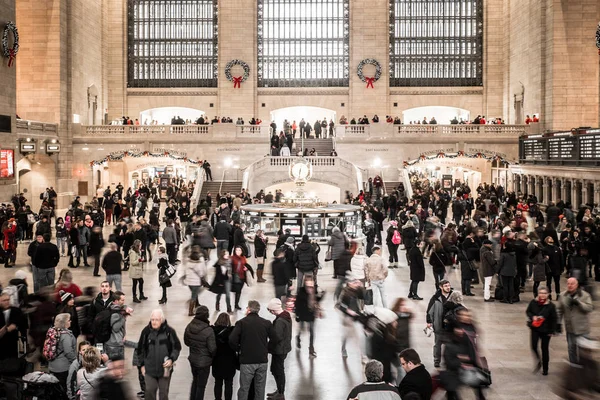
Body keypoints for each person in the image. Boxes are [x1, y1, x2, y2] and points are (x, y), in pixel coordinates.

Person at [229, 300, 273, 400]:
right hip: (262, 360)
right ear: (258, 310)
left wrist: (239, 349)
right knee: (260, 388)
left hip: (247, 361)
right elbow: (276, 338)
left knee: (244, 388)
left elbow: (232, 339)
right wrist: (266, 348)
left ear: (249, 309)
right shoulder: (266, 323)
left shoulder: (241, 323)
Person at [138, 309, 182, 400]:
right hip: (149, 370)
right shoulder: (146, 332)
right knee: (149, 392)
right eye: (152, 319)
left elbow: (176, 347)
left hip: (165, 370)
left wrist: (171, 359)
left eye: (156, 319)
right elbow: (140, 350)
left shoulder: (169, 332)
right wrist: (142, 365)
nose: (154, 322)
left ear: (161, 320)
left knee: (164, 394)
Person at [556, 277, 593, 363]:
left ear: (577, 285)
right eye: (568, 283)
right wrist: (558, 323)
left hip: (582, 328)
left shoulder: (585, 295)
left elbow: (589, 308)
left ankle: (585, 368)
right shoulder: (562, 295)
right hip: (570, 328)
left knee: (583, 350)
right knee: (571, 349)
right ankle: (573, 366)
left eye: (572, 283)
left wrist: (579, 303)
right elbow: (559, 310)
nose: (570, 285)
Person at [184, 305, 216, 400]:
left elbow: (186, 342)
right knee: (201, 386)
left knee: (195, 381)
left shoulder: (189, 326)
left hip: (193, 359)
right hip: (204, 362)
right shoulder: (208, 330)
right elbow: (212, 348)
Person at [526, 286, 557, 376]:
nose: (542, 295)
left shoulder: (551, 306)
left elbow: (554, 319)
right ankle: (538, 360)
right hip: (535, 328)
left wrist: (552, 330)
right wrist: (533, 317)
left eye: (544, 293)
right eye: (540, 293)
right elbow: (528, 311)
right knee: (533, 346)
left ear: (547, 294)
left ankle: (545, 368)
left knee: (544, 348)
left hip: (546, 329)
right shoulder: (533, 302)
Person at [266, 298, 292, 400]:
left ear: (274, 309)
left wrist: (267, 347)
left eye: (270, 310)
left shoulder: (280, 321)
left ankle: (281, 393)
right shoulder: (286, 316)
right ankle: (279, 390)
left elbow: (276, 337)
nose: (271, 312)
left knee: (278, 371)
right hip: (283, 348)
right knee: (275, 370)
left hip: (279, 350)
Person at [294, 275, 323, 358]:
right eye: (308, 283)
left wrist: (321, 296)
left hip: (311, 314)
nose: (310, 285)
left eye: (311, 283)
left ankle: (311, 349)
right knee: (301, 329)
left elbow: (317, 300)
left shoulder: (315, 290)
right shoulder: (301, 291)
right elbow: (297, 304)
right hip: (303, 314)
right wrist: (297, 315)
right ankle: (298, 338)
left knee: (312, 331)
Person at [426, 279, 452, 368]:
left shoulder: (453, 296)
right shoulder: (435, 298)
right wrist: (429, 321)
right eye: (446, 286)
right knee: (438, 344)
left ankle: (449, 361)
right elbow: (430, 311)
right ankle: (437, 360)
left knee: (450, 345)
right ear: (441, 287)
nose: (448, 287)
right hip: (439, 325)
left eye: (448, 285)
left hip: (450, 326)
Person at [49, 313, 78, 391]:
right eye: (69, 320)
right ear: (64, 323)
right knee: (64, 389)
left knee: (56, 389)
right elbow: (68, 352)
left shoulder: (53, 332)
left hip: (52, 366)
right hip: (63, 368)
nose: (70, 321)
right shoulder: (66, 336)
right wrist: (76, 361)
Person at [0, 292, 28, 360]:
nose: (7, 302)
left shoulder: (16, 310)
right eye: (4, 300)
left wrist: (25, 341)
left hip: (12, 341)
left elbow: (23, 324)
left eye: (8, 300)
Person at [105, 291, 131, 360]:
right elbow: (116, 328)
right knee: (118, 367)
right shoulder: (115, 313)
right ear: (116, 301)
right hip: (115, 344)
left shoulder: (111, 308)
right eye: (122, 300)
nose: (123, 302)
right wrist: (124, 317)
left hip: (111, 343)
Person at [183, 247, 207, 316]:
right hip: (196, 282)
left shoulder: (188, 262)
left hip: (189, 282)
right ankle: (190, 311)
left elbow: (185, 272)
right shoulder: (198, 264)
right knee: (193, 296)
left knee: (194, 293)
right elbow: (201, 273)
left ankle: (197, 304)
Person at [231, 246, 253, 310]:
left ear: (242, 251)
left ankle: (236, 304)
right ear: (234, 251)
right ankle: (236, 304)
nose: (238, 252)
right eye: (236, 250)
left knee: (239, 291)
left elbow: (246, 265)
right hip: (235, 277)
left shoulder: (243, 258)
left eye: (239, 250)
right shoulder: (232, 258)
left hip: (242, 277)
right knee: (238, 290)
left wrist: (246, 268)